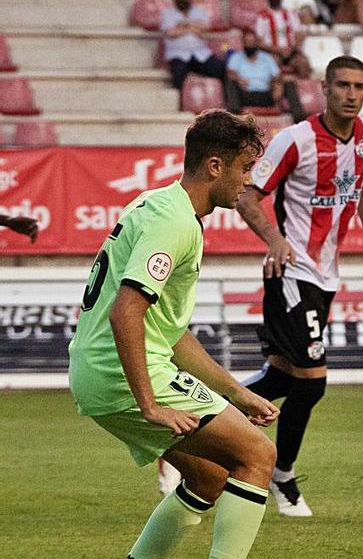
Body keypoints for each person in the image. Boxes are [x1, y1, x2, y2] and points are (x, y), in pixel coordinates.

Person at [68, 110, 278, 559]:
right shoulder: (175, 222)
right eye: (244, 169)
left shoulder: (159, 203)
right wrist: (151, 404)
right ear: (214, 166)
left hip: (96, 370)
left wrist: (237, 393)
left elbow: (170, 333)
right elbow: (126, 312)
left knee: (209, 476)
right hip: (121, 373)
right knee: (257, 456)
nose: (247, 182)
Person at [235, 56, 363, 517]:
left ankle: (197, 422)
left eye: (359, 86)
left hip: (326, 276)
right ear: (323, 88)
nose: (350, 94)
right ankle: (280, 475)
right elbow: (247, 194)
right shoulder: (295, 139)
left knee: (282, 378)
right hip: (291, 273)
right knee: (314, 382)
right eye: (342, 84)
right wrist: (275, 240)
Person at [224, 29, 304, 119]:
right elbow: (229, 73)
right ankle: (233, 121)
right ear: (243, 43)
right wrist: (238, 79)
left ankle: (299, 120)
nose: (249, 44)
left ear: (256, 43)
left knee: (289, 84)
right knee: (231, 83)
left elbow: (277, 75)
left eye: (252, 42)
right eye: (247, 42)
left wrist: (278, 84)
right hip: (246, 95)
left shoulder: (267, 57)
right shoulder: (236, 57)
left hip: (266, 94)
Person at [161, 0, 226, 90]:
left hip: (200, 53)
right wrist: (194, 28)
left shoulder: (199, 11)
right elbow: (171, 33)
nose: (183, 0)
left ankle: (223, 101)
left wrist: (185, 24)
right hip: (178, 54)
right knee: (178, 74)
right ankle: (180, 104)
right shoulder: (168, 13)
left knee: (220, 68)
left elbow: (205, 29)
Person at [255, 0, 313, 85]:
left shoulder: (291, 14)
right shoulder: (262, 16)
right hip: (273, 52)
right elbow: (259, 42)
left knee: (303, 62)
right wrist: (278, 50)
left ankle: (305, 92)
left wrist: (290, 49)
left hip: (292, 51)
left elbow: (299, 35)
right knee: (272, 64)